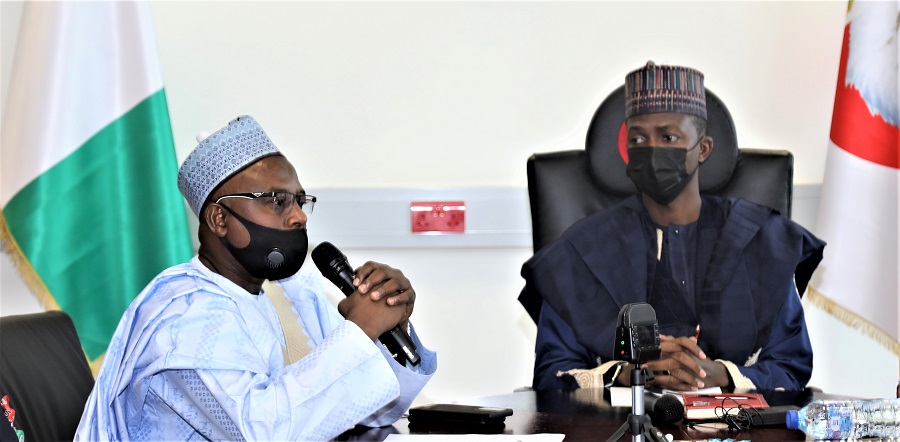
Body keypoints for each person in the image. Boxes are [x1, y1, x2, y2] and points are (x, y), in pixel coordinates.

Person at [75, 115, 436, 440]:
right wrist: (359, 330)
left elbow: (371, 409)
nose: (299, 217)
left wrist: (388, 325)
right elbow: (262, 433)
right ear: (219, 219)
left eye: (299, 201)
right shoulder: (186, 316)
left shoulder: (292, 293)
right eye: (277, 201)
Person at [521, 62, 825, 392]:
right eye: (638, 138)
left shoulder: (760, 240)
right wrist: (625, 375)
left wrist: (723, 375)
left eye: (669, 137)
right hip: (619, 421)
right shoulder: (582, 251)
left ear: (703, 149)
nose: (651, 150)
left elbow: (789, 368)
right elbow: (552, 376)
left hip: (731, 422)